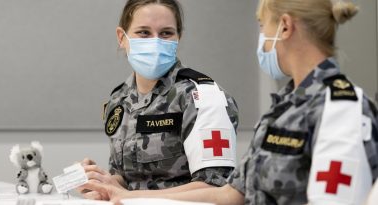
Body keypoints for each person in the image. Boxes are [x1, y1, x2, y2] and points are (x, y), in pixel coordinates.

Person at [79, 0, 378, 204]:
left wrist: (129, 196)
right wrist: (117, 189)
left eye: (262, 26)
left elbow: (337, 198)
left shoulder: (342, 107)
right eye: (144, 32)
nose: (260, 38)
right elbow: (233, 193)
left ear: (284, 27)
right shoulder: (282, 109)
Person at [76, 0, 239, 200]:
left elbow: (216, 186)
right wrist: (102, 182)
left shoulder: (201, 96)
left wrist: (129, 197)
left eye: (166, 33)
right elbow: (126, 180)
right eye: (144, 32)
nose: (155, 41)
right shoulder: (119, 100)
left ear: (178, 37)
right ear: (122, 37)